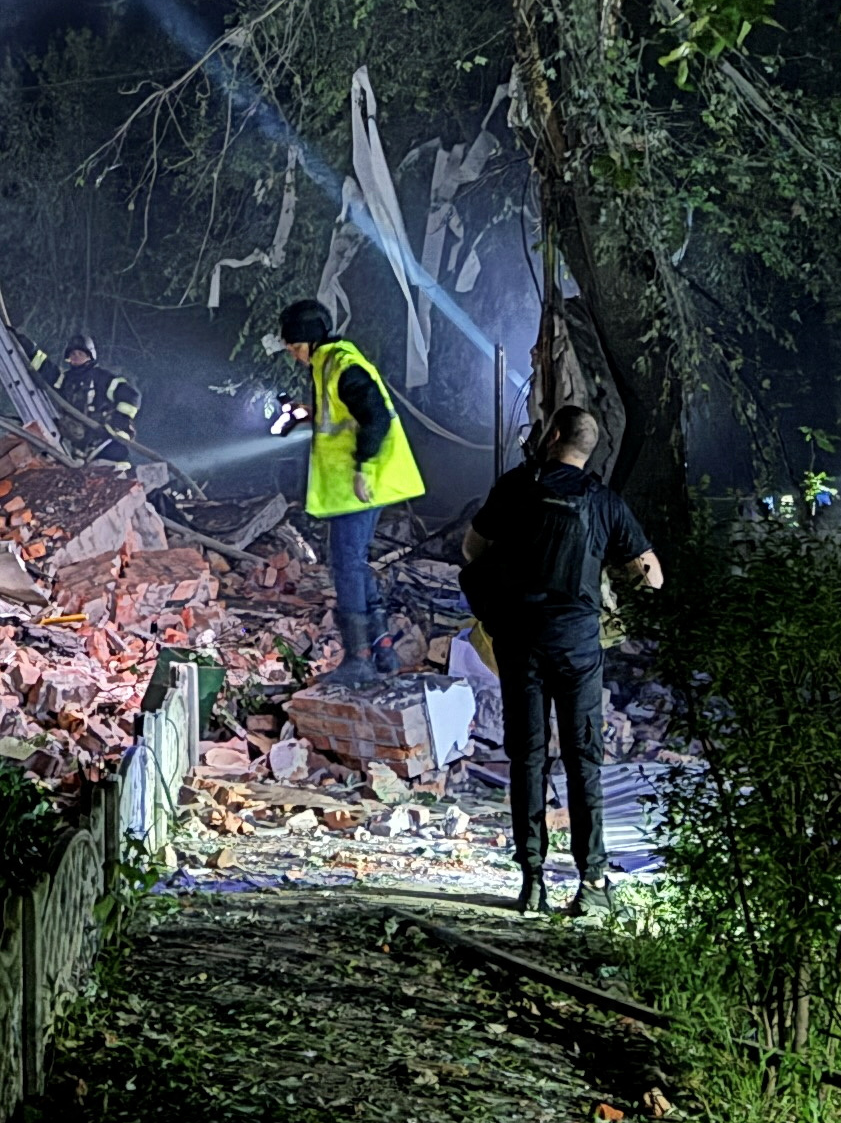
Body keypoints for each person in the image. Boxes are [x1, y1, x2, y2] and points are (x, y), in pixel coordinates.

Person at [462, 407, 661, 915]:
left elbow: (472, 548)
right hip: (578, 649)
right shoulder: (604, 502)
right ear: (588, 448)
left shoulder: (514, 487)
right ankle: (591, 881)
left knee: (527, 760)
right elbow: (652, 576)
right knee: (583, 761)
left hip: (520, 644)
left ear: (551, 436)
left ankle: (532, 883)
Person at [278, 296, 425, 683]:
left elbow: (374, 416)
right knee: (353, 562)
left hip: (362, 485)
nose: (294, 356)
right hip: (354, 487)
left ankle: (358, 659)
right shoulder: (330, 365)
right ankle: (381, 651)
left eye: (294, 347)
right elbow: (340, 416)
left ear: (309, 340)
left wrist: (361, 467)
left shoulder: (342, 366)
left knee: (346, 564)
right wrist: (304, 414)